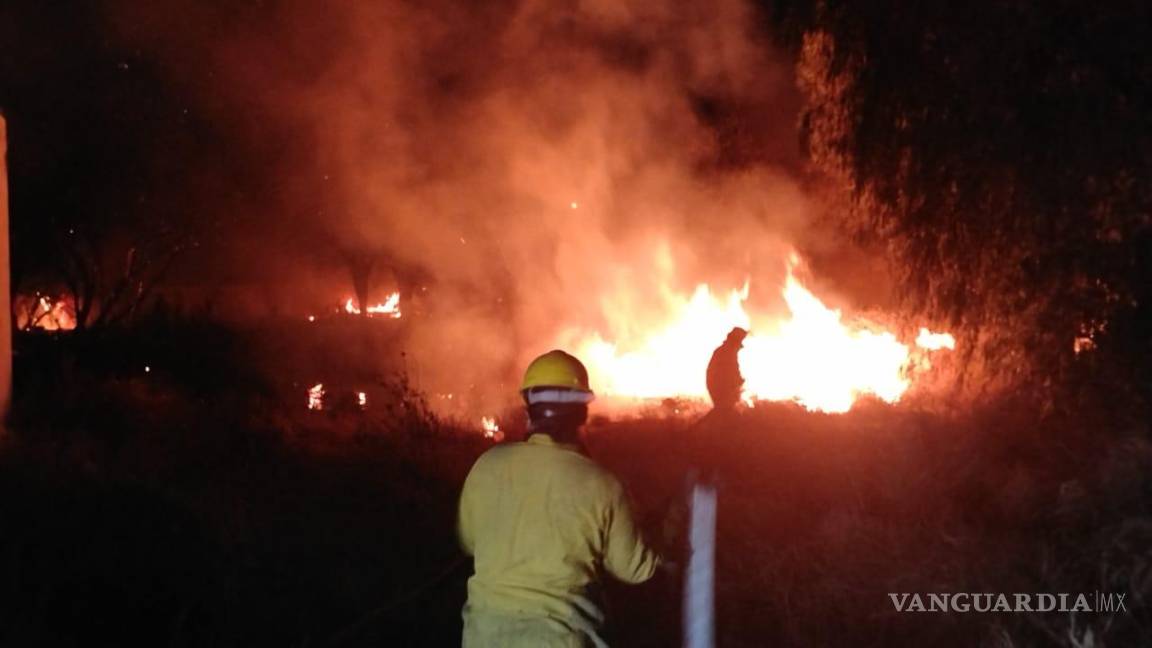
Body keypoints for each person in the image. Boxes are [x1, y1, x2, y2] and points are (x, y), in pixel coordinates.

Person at [458, 350, 661, 647]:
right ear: (582, 413)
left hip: (484, 639)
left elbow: (469, 542)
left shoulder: (487, 465)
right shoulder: (602, 483)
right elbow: (636, 570)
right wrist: (667, 538)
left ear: (529, 408)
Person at [705, 327, 748, 411]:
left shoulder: (726, 352)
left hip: (721, 391)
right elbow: (728, 374)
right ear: (735, 342)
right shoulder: (727, 353)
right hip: (721, 391)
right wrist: (737, 383)